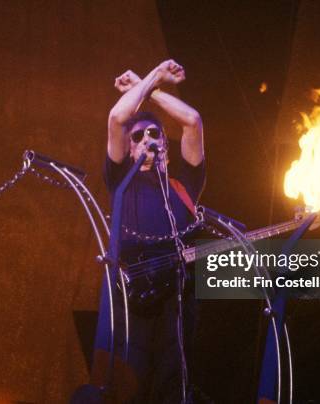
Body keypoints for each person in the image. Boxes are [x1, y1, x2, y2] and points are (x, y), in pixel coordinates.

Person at [89, 60, 206, 403]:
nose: (147, 140)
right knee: (128, 383)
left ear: (166, 147)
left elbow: (193, 120)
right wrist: (155, 75)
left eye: (155, 133)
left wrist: (149, 88)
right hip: (131, 300)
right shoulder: (121, 179)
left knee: (174, 384)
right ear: (128, 148)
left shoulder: (184, 185)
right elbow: (116, 118)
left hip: (177, 300)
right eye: (138, 136)